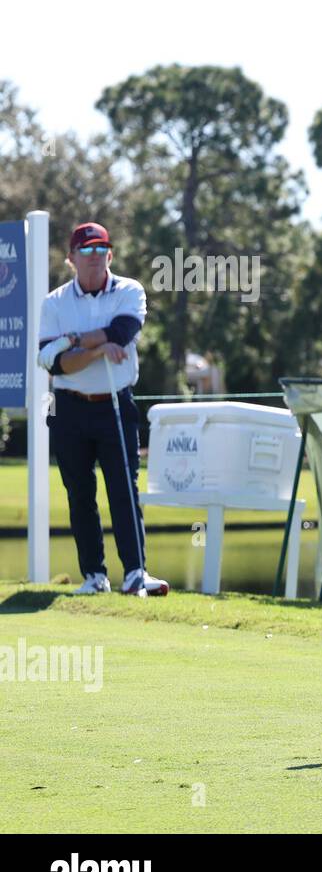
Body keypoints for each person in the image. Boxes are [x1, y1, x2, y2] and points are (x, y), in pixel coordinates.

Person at [36, 223, 169, 596]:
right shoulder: (55, 302)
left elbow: (122, 332)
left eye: (101, 251)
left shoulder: (129, 290)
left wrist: (73, 340)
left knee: (124, 490)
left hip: (115, 402)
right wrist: (96, 349)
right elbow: (59, 365)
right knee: (79, 493)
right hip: (69, 408)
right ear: (71, 259)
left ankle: (135, 572)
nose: (94, 259)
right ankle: (94, 575)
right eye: (86, 252)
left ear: (109, 255)